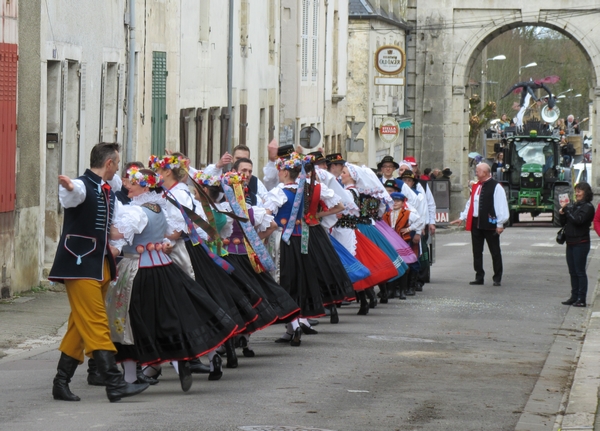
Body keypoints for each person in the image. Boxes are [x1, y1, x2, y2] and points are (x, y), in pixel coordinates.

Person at [107, 167, 238, 392]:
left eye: (133, 183)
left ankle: (130, 378)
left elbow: (118, 234)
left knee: (129, 322)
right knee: (168, 317)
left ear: (145, 186)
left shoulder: (136, 212)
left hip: (138, 270)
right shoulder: (159, 207)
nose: (128, 185)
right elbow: (168, 234)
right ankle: (177, 365)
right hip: (164, 268)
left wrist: (101, 222)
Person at [48, 142, 149, 402]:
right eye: (117, 163)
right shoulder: (83, 185)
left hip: (99, 264)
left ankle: (61, 382)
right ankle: (114, 383)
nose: (118, 169)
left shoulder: (108, 189)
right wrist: (68, 186)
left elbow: (121, 215)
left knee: (78, 325)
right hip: (79, 263)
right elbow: (75, 192)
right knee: (95, 322)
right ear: (109, 164)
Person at [450, 162, 509, 286]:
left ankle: (497, 277)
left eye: (478, 171)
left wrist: (500, 224)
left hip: (490, 223)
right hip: (476, 223)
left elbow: (501, 206)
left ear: (485, 172)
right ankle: (479, 276)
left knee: (495, 251)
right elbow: (470, 204)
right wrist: (463, 217)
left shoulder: (496, 187)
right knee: (477, 251)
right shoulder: (476, 186)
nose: (476, 173)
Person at [561, 182, 595, 307]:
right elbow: (565, 222)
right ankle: (574, 296)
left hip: (581, 242)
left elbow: (578, 221)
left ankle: (581, 298)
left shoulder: (588, 207)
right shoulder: (574, 205)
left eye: (579, 191)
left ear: (585, 193)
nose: (577, 194)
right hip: (570, 242)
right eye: (576, 191)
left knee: (580, 271)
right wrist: (562, 213)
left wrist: (568, 210)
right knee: (572, 271)